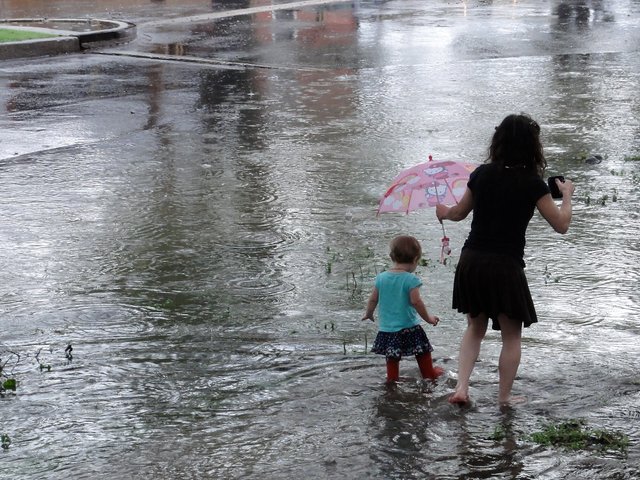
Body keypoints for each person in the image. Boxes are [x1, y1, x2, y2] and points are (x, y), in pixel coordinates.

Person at [435, 113, 575, 406]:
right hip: (505, 265)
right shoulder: (533, 183)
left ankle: (461, 388)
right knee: (511, 337)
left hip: (472, 261)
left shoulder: (481, 174)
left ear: (497, 142)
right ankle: (504, 397)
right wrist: (567, 195)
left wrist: (443, 211)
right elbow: (561, 225)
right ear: (531, 146)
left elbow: (458, 213)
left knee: (474, 328)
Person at [362, 235, 444, 383]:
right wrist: (429, 318)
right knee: (422, 351)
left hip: (387, 330)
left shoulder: (381, 278)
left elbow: (373, 298)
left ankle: (392, 379)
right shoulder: (411, 279)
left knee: (392, 357)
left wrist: (369, 313)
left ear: (392, 257)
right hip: (409, 327)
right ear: (415, 260)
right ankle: (428, 373)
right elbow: (416, 302)